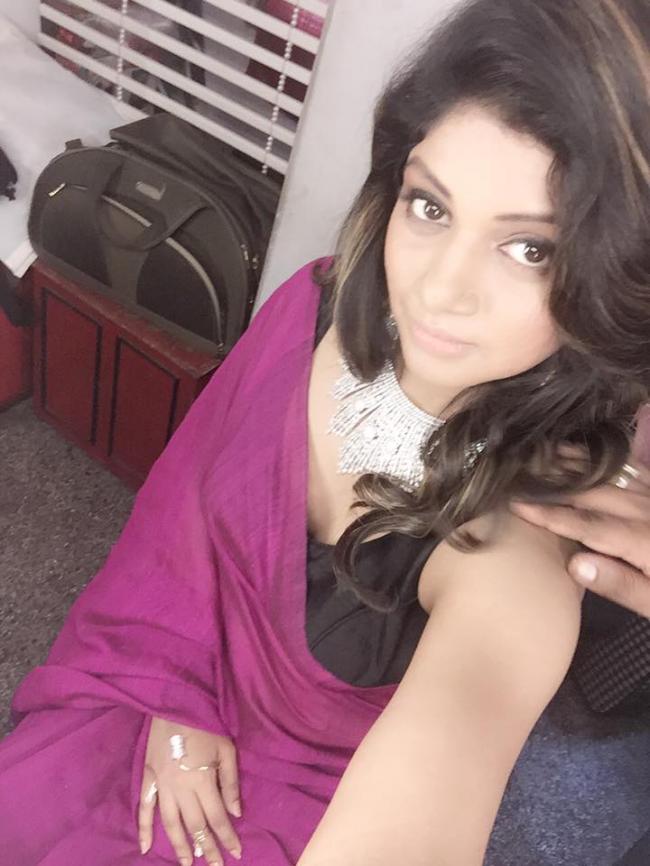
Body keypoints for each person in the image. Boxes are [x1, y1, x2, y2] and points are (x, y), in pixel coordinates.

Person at [0, 1, 649, 865]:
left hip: (286, 805)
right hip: (151, 684)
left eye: (531, 249)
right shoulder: (313, 305)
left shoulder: (522, 547)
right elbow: (181, 513)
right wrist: (173, 697)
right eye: (430, 206)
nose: (440, 288)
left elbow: (453, 744)